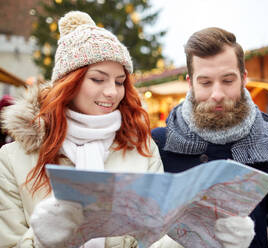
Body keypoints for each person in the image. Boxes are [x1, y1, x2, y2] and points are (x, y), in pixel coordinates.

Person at [0, 12, 254, 248]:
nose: (112, 92)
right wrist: (43, 238)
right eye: (98, 79)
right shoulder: (12, 159)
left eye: (119, 81)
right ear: (68, 83)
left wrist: (210, 235)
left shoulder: (140, 148)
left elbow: (154, 239)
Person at [152, 27, 268, 247]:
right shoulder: (158, 144)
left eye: (227, 80)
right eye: (205, 82)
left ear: (243, 79)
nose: (217, 94)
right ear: (190, 83)